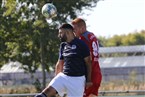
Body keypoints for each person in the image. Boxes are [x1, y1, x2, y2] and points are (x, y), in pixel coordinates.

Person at [35, 23, 92, 97]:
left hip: (77, 80)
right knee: (42, 95)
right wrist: (56, 79)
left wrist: (88, 80)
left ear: (67, 33)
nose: (59, 35)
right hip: (63, 76)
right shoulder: (63, 45)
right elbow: (60, 62)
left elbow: (88, 63)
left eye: (60, 33)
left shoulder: (81, 44)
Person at [71, 18, 102, 97]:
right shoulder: (91, 36)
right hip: (96, 72)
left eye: (75, 29)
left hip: (90, 75)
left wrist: (88, 79)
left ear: (82, 28)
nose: (73, 32)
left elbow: (88, 59)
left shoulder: (83, 39)